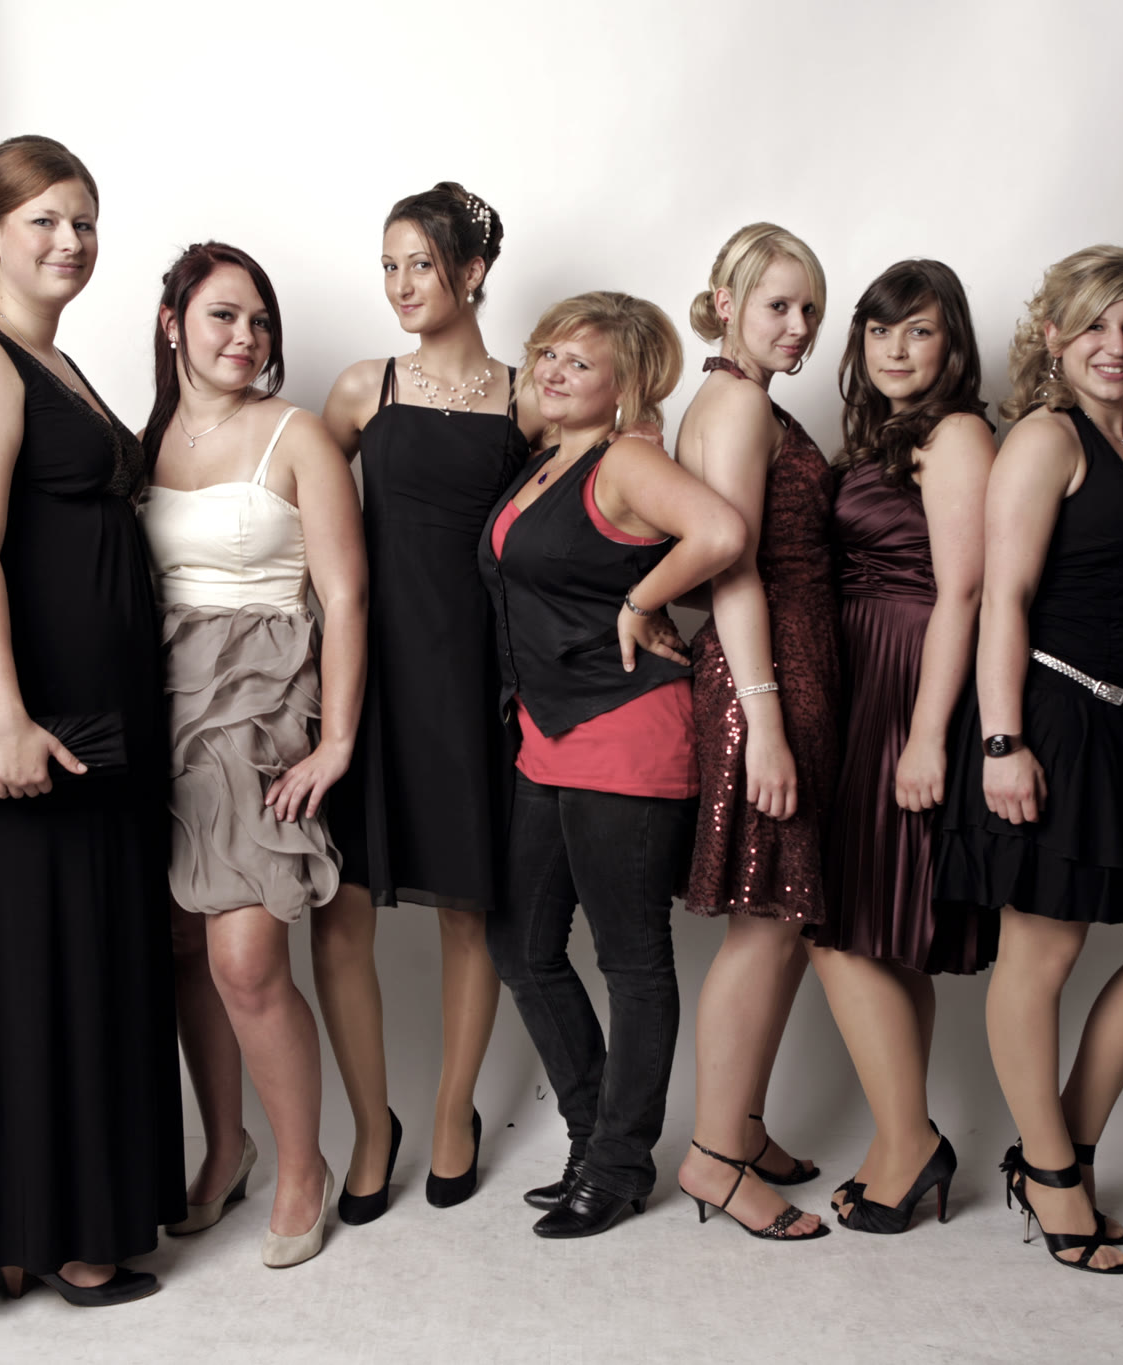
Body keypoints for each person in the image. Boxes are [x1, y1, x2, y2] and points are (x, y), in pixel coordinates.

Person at [0, 135, 181, 1306]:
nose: (71, 242)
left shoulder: (51, 360)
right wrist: (8, 719)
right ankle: (53, 1233)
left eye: (84, 222)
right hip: (17, 701)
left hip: (89, 706)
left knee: (78, 949)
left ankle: (40, 1223)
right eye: (45, 222)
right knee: (30, 950)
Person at [934, 245, 1123, 1274]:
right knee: (1040, 957)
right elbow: (1000, 600)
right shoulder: (1043, 439)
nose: (1116, 344)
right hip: (1051, 720)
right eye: (1094, 323)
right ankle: (1054, 1175)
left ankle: (1061, 1146)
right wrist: (1001, 742)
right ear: (1051, 334)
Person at [479, 292, 746, 1239]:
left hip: (627, 730)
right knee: (520, 946)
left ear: (625, 382)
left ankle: (621, 1165)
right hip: (546, 732)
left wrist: (641, 602)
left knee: (631, 959)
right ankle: (594, 1136)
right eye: (547, 353)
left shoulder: (627, 459)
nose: (553, 371)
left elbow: (720, 532)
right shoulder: (546, 458)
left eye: (579, 362)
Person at [137, 242, 368, 1268]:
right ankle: (224, 1148)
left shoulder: (297, 433)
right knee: (182, 947)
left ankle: (302, 1168)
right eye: (223, 316)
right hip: (157, 700)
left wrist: (336, 738)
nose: (245, 337)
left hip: (259, 700)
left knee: (244, 958)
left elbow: (346, 597)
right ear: (173, 323)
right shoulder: (142, 440)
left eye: (259, 320)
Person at [318, 183, 538, 1222]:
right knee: (341, 909)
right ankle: (372, 1125)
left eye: (421, 264)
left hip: (472, 685)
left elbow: (583, 508)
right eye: (389, 266)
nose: (402, 285)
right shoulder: (361, 390)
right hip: (366, 679)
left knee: (468, 909)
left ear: (473, 272)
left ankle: (453, 1112)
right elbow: (303, 523)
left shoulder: (526, 400)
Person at [810, 259, 997, 1233]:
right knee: (888, 932)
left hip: (907, 682)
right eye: (879, 330)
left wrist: (925, 736)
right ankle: (896, 1143)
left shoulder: (955, 432)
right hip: (866, 678)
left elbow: (962, 589)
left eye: (918, 330)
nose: (894, 348)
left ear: (951, 343)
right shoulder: (886, 434)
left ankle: (911, 1141)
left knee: (837, 926)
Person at [672, 222, 836, 1242]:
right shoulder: (735, 403)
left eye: (810, 307)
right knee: (765, 925)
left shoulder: (741, 398)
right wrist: (765, 718)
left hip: (781, 672)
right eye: (778, 304)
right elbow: (730, 566)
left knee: (783, 920)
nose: (799, 325)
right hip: (764, 679)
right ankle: (713, 1158)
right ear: (728, 301)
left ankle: (741, 1124)